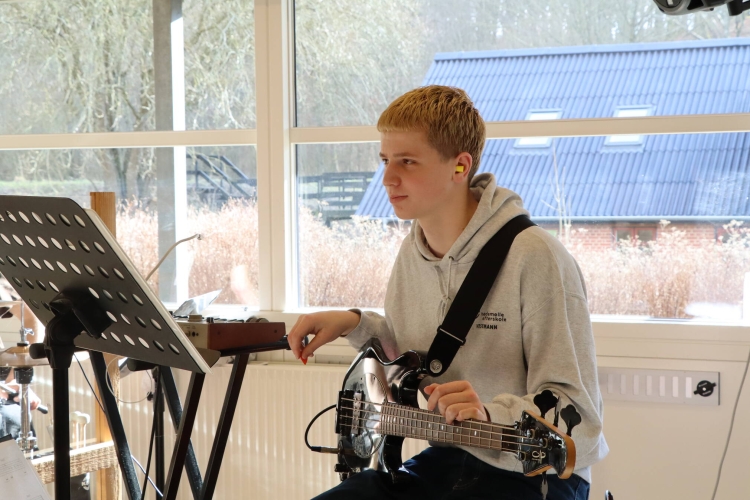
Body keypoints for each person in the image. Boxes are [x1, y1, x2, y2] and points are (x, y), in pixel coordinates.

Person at [288, 85, 608, 500]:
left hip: (534, 477)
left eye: (407, 161)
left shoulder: (536, 257)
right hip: (448, 463)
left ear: (460, 166)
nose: (387, 178)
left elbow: (579, 416)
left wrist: (490, 413)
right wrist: (355, 324)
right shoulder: (411, 254)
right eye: (385, 160)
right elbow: (414, 360)